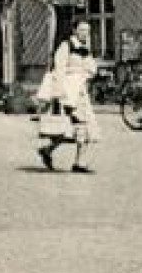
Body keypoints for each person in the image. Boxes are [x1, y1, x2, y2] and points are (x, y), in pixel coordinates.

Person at [38, 19, 101, 173]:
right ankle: (57, 154)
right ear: (74, 31)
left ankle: (76, 161)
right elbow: (58, 69)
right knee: (72, 126)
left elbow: (92, 68)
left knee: (81, 127)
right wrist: (60, 94)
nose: (85, 33)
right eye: (82, 30)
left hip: (80, 91)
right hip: (68, 93)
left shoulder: (85, 49)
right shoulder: (66, 46)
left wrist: (87, 73)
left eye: (87, 30)